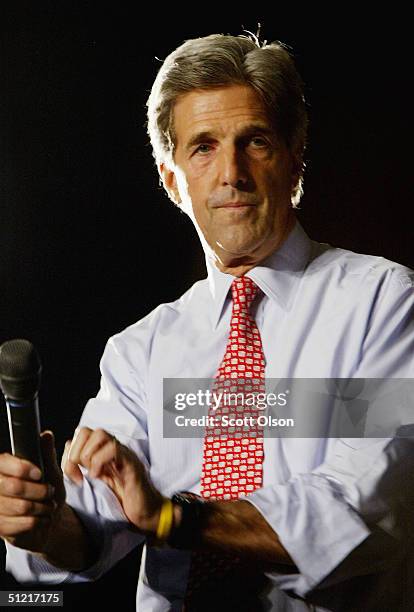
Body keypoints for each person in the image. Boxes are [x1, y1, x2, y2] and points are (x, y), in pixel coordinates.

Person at [1, 33, 414, 611]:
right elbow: (91, 529)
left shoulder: (383, 302)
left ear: (295, 158)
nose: (232, 173)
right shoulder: (141, 352)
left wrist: (174, 517)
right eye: (203, 147)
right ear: (173, 180)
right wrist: (41, 523)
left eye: (256, 142)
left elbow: (366, 504)